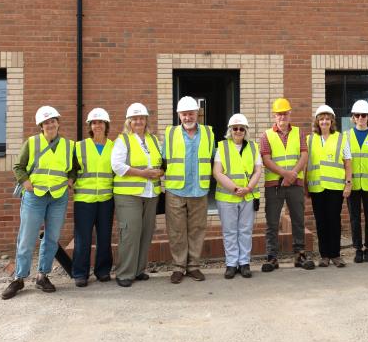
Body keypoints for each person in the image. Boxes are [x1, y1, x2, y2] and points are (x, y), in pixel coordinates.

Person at [1, 106, 75, 299]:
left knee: (51, 238)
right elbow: (19, 166)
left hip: (58, 197)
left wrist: (71, 179)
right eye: (46, 122)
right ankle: (19, 278)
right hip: (35, 196)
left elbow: (74, 168)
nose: (50, 124)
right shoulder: (32, 143)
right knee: (26, 238)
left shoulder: (69, 145)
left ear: (58, 122)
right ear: (41, 125)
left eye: (53, 121)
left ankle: (43, 275)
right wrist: (25, 182)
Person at [111, 102, 164, 287]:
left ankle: (139, 270)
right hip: (128, 195)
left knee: (146, 232)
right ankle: (125, 273)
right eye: (135, 119)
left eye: (141, 118)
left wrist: (160, 172)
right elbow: (117, 166)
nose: (138, 121)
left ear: (146, 120)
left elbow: (160, 162)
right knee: (130, 233)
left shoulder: (154, 140)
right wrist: (143, 174)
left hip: (150, 194)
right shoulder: (123, 140)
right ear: (129, 121)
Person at [163, 96, 215, 284]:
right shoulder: (170, 133)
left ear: (197, 114)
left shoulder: (209, 133)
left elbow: (213, 159)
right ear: (178, 115)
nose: (187, 117)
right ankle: (178, 267)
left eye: (191, 113)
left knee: (197, 230)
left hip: (199, 190)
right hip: (175, 191)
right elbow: (162, 161)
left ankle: (193, 266)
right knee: (176, 231)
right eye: (184, 114)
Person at [259, 98, 315, 272]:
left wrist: (292, 175)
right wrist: (285, 174)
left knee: (298, 220)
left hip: (295, 184)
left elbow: (304, 155)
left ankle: (300, 255)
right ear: (274, 115)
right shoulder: (266, 135)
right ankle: (272, 257)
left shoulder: (299, 133)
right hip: (274, 185)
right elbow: (266, 159)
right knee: (272, 222)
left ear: (290, 114)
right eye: (279, 113)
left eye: (285, 113)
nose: (282, 116)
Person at [212, 113, 263, 279]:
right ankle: (231, 264)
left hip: (247, 196)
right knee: (229, 232)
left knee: (245, 231)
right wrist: (235, 189)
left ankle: (244, 263)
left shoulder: (254, 147)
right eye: (235, 128)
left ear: (246, 130)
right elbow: (217, 172)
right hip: (227, 197)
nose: (238, 131)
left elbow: (258, 171)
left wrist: (248, 188)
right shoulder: (222, 147)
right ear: (230, 130)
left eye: (241, 128)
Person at [71, 107, 115, 287]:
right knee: (83, 238)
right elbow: (71, 168)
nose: (97, 125)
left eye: (101, 122)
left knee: (105, 237)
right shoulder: (79, 146)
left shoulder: (114, 146)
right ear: (90, 126)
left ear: (106, 125)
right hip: (84, 200)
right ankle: (80, 273)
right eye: (94, 122)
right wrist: (70, 179)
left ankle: (103, 271)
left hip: (106, 199)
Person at [305, 105, 352, 267]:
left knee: (334, 220)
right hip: (317, 188)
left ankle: (335, 255)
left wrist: (348, 184)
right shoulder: (310, 139)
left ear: (332, 121)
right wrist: (305, 186)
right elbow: (306, 164)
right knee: (320, 221)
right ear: (317, 122)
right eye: (321, 119)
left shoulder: (341, 138)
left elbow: (348, 163)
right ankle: (324, 255)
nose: (324, 121)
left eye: (327, 119)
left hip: (335, 188)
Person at [346, 100, 368, 263]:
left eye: (364, 115)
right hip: (352, 184)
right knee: (354, 217)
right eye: (357, 115)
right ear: (353, 118)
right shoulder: (345, 136)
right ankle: (357, 249)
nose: (361, 118)